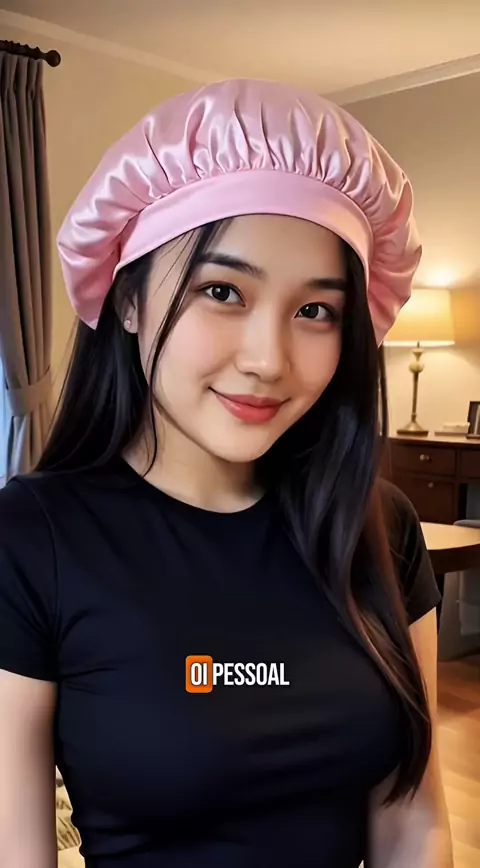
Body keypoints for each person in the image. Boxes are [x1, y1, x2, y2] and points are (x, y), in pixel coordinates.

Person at [0, 78, 453, 868]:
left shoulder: (379, 527)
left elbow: (416, 820)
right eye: (221, 291)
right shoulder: (32, 539)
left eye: (315, 310)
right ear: (129, 300)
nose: (268, 360)